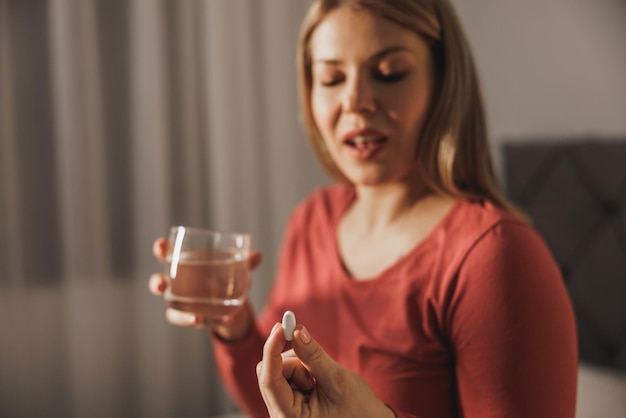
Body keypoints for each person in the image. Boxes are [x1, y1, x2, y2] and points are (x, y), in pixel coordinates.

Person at [150, 0, 578, 417]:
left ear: (443, 82)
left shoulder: (492, 257)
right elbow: (279, 407)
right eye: (332, 78)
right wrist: (236, 327)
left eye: (389, 74)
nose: (355, 101)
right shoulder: (311, 221)